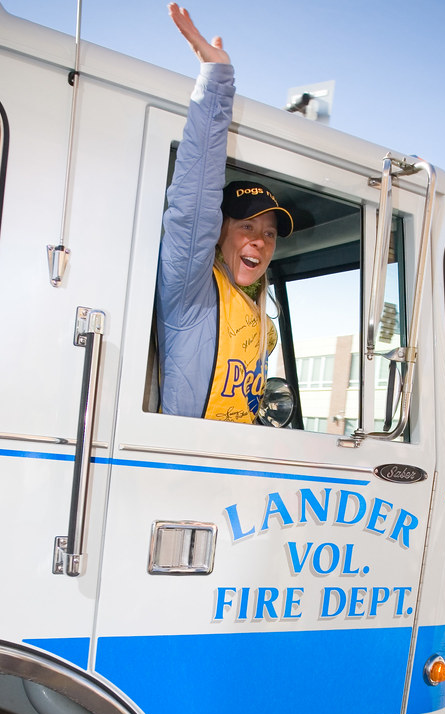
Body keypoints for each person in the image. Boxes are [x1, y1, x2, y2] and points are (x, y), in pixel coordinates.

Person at [156, 4, 294, 423]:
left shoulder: (262, 322)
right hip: (183, 465)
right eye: (247, 226)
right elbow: (192, 206)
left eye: (269, 233)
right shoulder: (191, 290)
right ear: (219, 232)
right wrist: (216, 85)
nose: (259, 241)